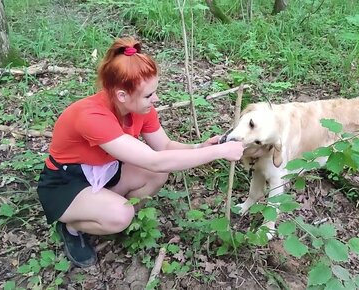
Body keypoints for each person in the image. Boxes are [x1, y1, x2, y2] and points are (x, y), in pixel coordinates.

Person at [36, 37, 244, 268]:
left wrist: (200, 147)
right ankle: (72, 227)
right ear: (122, 95)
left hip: (105, 170)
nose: (155, 99)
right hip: (67, 182)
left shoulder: (140, 109)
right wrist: (220, 152)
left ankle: (108, 214)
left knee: (155, 177)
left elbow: (164, 147)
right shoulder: (92, 116)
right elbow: (155, 160)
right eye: (148, 95)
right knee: (121, 214)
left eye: (155, 92)